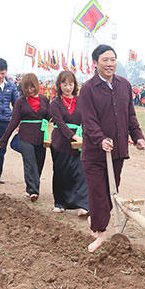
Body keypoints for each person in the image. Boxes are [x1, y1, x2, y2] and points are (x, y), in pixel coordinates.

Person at [78, 44, 145, 252]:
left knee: (111, 192)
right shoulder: (88, 89)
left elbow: (130, 116)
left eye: (113, 59)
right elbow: (88, 121)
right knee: (98, 192)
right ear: (95, 63)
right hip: (95, 152)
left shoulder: (124, 85)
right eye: (105, 60)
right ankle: (100, 233)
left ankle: (97, 224)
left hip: (117, 152)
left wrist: (138, 137)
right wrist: (100, 139)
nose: (109, 63)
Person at [0, 73, 51, 202]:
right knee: (29, 162)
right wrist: (3, 140)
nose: (30, 91)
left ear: (37, 86)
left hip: (40, 136)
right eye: (27, 88)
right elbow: (14, 121)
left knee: (39, 162)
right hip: (25, 136)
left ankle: (31, 187)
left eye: (32, 87)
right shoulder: (20, 102)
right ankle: (33, 191)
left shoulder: (44, 100)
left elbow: (50, 116)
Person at [49, 70, 89, 216]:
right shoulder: (55, 103)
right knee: (61, 172)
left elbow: (86, 119)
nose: (68, 87)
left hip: (79, 143)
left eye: (70, 84)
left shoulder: (80, 101)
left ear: (75, 85)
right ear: (59, 85)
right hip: (60, 142)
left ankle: (83, 204)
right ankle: (60, 202)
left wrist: (84, 136)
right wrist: (73, 137)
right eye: (64, 84)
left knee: (81, 173)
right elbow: (59, 123)